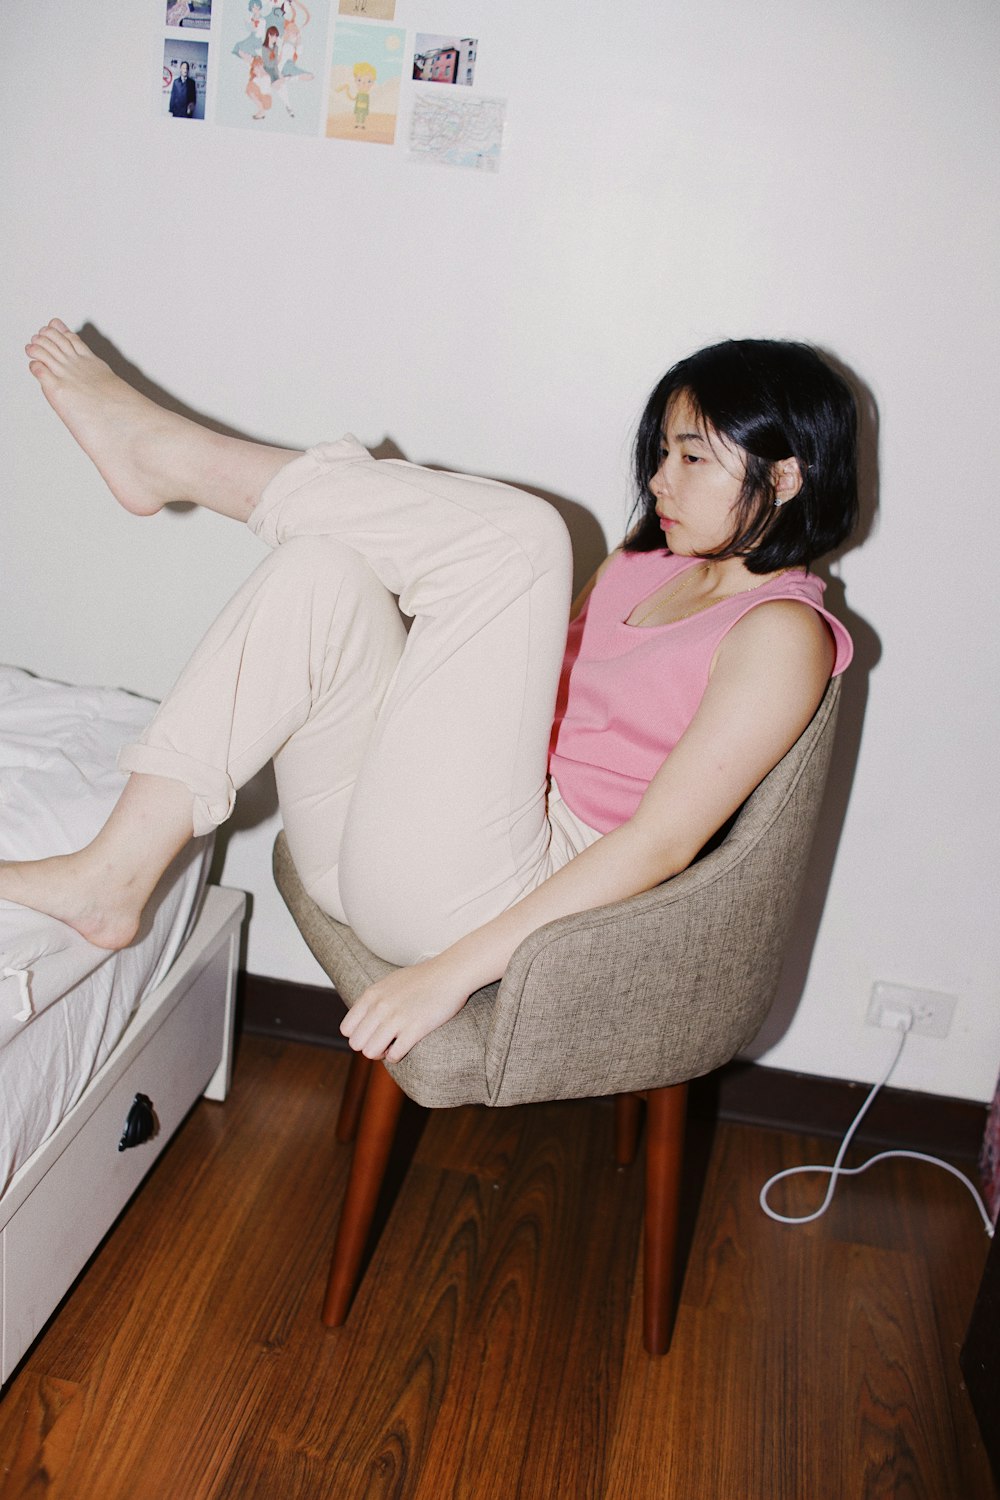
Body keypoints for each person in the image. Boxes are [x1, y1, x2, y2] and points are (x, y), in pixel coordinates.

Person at [0, 321, 859, 1065]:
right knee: (321, 570)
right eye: (662, 453)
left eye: (692, 457)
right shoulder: (649, 562)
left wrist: (447, 977)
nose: (660, 481)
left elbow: (660, 849)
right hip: (392, 864)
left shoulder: (782, 634)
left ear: (786, 478)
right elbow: (507, 707)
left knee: (523, 540)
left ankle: (171, 457)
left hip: (499, 902)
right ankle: (115, 874)